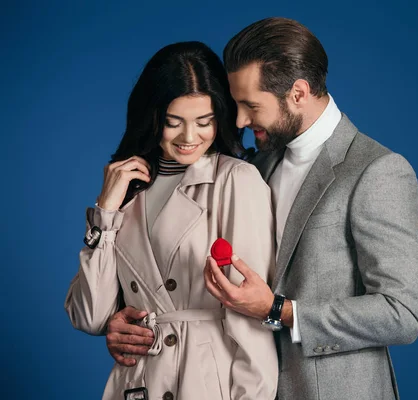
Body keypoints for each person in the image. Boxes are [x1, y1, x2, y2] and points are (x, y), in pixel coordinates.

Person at [106, 17, 418, 400]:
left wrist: (279, 310)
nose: (239, 120)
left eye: (250, 105)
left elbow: (401, 314)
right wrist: (130, 325)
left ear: (298, 93)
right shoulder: (255, 166)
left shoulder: (377, 171)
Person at [64, 41, 278, 400]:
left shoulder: (234, 180)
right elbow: (90, 316)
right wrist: (106, 210)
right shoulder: (128, 191)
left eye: (204, 122)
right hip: (138, 381)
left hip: (206, 383)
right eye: (173, 122)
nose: (189, 137)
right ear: (152, 118)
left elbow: (251, 318)